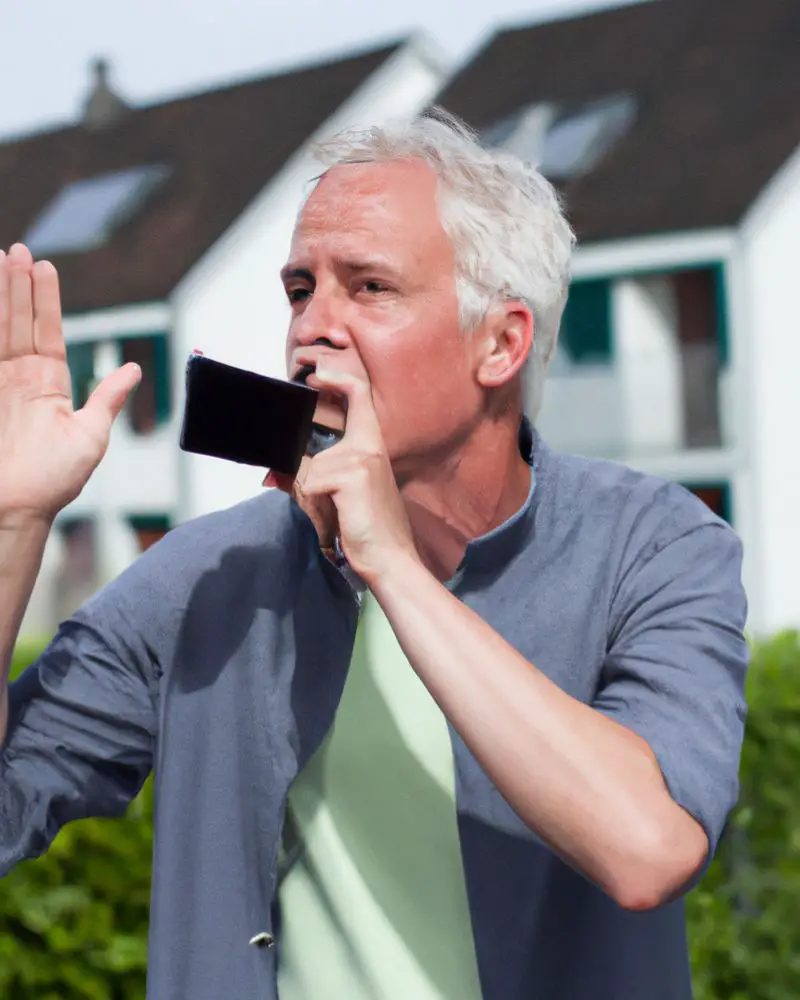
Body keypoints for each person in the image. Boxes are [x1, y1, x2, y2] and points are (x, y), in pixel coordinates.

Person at [0, 111, 748, 1000]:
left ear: (501, 343)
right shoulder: (206, 577)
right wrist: (13, 522)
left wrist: (391, 565)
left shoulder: (655, 545)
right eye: (299, 288)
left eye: (370, 288)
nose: (313, 325)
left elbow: (648, 848)